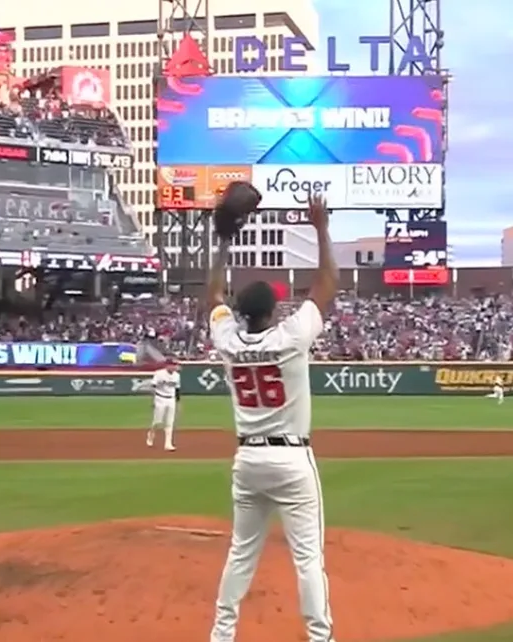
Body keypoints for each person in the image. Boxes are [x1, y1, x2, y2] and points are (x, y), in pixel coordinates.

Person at [207, 193, 338, 642]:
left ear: (243, 313)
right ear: (274, 310)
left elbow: (213, 295)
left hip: (248, 461)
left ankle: (221, 635)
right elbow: (327, 283)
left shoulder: (227, 340)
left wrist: (223, 242)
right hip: (291, 460)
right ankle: (320, 638)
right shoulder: (291, 335)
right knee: (308, 560)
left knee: (241, 554)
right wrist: (319, 227)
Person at [147, 358, 181, 451]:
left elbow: (177, 390)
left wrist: (178, 403)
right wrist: (153, 400)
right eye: (172, 365)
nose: (174, 367)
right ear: (167, 365)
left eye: (175, 365)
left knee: (170, 422)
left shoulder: (177, 376)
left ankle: (168, 444)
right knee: (158, 422)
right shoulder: (159, 374)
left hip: (171, 399)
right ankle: (151, 434)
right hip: (160, 398)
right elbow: (153, 387)